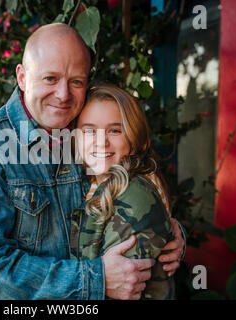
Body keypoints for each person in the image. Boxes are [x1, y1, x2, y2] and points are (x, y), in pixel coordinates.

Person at [0, 23, 185, 300]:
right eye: (50, 78)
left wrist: (165, 233)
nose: (63, 95)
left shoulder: (88, 127)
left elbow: (131, 189)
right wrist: (95, 281)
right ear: (22, 78)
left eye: (76, 81)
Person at [71, 84, 175, 299]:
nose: (101, 142)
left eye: (115, 130)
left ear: (134, 136)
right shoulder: (91, 179)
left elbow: (119, 289)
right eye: (89, 130)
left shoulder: (134, 194)